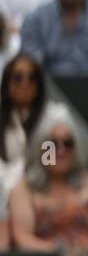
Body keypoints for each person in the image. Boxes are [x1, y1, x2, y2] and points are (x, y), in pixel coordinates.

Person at [8, 107, 88, 251]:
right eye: (53, 144)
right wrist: (63, 253)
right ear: (40, 149)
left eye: (68, 144)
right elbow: (23, 238)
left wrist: (87, 254)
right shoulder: (24, 189)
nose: (61, 151)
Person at [0, 52, 46, 197]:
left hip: (40, 193)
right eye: (18, 78)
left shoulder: (53, 120)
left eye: (31, 78)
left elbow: (51, 164)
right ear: (7, 83)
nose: (25, 84)